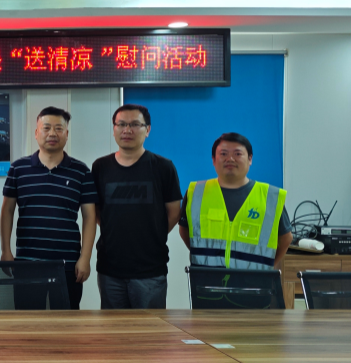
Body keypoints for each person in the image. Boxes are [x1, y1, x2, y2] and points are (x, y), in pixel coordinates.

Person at [1, 106, 96, 310]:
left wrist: (85, 258)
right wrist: (6, 250)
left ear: (67, 134)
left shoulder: (81, 171)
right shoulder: (18, 168)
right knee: (28, 320)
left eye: (58, 128)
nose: (52, 133)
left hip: (67, 264)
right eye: (46, 128)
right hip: (27, 261)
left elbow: (90, 217)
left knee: (67, 321)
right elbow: (7, 211)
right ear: (36, 133)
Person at [91, 104, 182, 309]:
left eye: (134, 125)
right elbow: (96, 211)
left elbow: (174, 212)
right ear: (114, 129)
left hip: (150, 269)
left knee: (149, 327)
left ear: (147, 130)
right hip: (109, 268)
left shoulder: (163, 167)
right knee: (113, 326)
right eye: (121, 124)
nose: (127, 130)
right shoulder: (100, 167)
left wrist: (153, 234)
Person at [179, 132, 293, 271]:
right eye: (223, 154)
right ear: (213, 160)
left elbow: (286, 238)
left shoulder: (270, 197)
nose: (230, 159)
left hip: (254, 282)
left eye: (237, 154)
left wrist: (267, 266)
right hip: (206, 280)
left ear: (250, 159)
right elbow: (185, 230)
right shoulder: (196, 192)